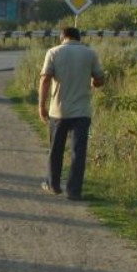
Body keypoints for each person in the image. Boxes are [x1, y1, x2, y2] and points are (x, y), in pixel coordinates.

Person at [37, 26, 104, 201]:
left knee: (56, 149)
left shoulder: (53, 52)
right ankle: (74, 191)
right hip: (82, 111)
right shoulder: (90, 54)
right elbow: (99, 80)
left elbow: (45, 79)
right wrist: (92, 81)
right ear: (78, 38)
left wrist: (41, 106)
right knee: (78, 152)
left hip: (58, 111)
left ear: (62, 37)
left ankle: (53, 185)